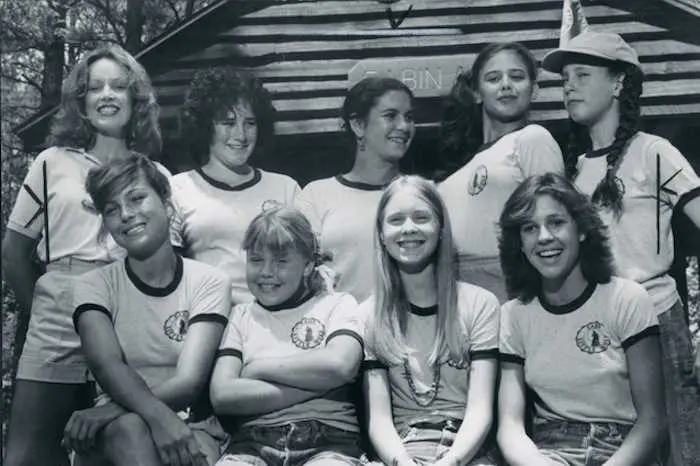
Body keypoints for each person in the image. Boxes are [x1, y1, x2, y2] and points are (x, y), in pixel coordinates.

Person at [541, 30, 700, 464]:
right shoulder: (568, 171)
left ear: (618, 84)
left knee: (679, 449)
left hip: (654, 321)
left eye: (582, 74)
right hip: (594, 330)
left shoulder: (654, 153)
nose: (569, 85)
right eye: (564, 78)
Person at [2, 44, 163, 466]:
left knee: (113, 447)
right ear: (81, 100)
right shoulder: (52, 162)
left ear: (136, 99)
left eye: (118, 87)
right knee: (26, 456)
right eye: (95, 88)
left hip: (127, 314)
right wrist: (41, 307)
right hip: (58, 313)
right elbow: (15, 250)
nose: (107, 95)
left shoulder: (155, 175)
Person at [65, 153, 231, 465]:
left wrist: (154, 418)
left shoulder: (209, 281)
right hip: (111, 433)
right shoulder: (94, 285)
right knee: (130, 428)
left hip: (188, 423)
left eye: (137, 198)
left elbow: (189, 381)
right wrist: (156, 417)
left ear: (167, 205)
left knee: (191, 452)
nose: (126, 214)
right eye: (112, 210)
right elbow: (107, 365)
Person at [497, 173, 666, 465]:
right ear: (520, 244)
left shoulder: (626, 299)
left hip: (623, 450)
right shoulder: (514, 315)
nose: (544, 237)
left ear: (582, 230)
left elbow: (653, 421)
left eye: (556, 222)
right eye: (529, 228)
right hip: (550, 451)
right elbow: (509, 428)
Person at [210, 205, 365, 465]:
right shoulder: (242, 316)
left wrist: (258, 368)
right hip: (252, 443)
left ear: (307, 265)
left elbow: (341, 365)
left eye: (281, 261)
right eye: (256, 260)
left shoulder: (337, 304)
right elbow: (223, 395)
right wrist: (321, 384)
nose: (267, 272)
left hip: (330, 439)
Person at [362, 176, 499, 466]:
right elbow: (380, 420)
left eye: (421, 217)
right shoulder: (369, 315)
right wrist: (402, 462)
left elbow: (480, 409)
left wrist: (451, 462)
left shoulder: (479, 304)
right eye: (396, 220)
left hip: (468, 451)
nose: (409, 228)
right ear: (381, 234)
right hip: (401, 449)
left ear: (441, 228)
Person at [437, 42, 564, 303]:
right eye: (493, 78)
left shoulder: (533, 139)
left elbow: (554, 228)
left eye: (517, 77)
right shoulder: (460, 169)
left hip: (509, 288)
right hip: (456, 292)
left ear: (534, 90)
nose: (506, 84)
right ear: (477, 93)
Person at [171, 66, 300, 305]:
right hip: (208, 320)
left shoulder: (285, 187)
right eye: (227, 123)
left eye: (249, 123)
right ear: (205, 126)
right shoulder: (177, 189)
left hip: (277, 320)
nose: (240, 135)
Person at [296, 76, 415, 302]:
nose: (404, 126)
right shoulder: (316, 195)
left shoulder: (423, 194)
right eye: (390, 116)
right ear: (358, 125)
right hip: (336, 329)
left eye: (409, 117)